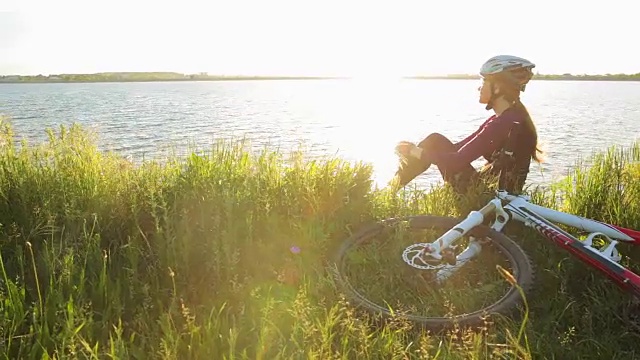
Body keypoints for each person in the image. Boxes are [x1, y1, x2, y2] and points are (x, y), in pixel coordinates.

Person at [390, 55, 543, 195]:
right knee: (435, 141)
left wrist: (416, 152)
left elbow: (457, 160)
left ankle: (389, 191)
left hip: (490, 199)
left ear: (498, 88)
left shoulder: (503, 123)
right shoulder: (508, 118)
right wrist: (419, 152)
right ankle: (391, 189)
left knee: (434, 141)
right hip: (496, 193)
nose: (479, 88)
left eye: (484, 82)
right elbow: (459, 150)